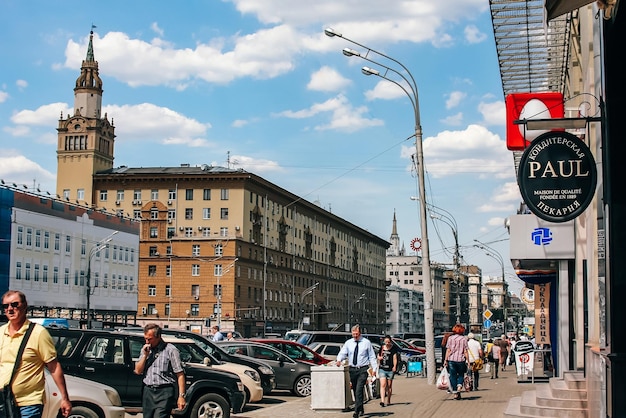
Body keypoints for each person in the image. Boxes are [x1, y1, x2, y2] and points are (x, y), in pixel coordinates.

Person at [0, 290, 72, 418]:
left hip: (29, 403)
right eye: (6, 306)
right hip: (3, 400)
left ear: (24, 305)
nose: (10, 309)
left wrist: (65, 398)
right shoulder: (1, 332)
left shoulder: (38, 333)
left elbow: (54, 367)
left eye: (14, 304)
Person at [134, 323, 186, 418]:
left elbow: (180, 374)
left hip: (164, 392)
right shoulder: (145, 349)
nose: (147, 341)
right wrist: (145, 355)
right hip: (148, 391)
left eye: (150, 339)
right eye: (145, 338)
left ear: (158, 337)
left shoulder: (171, 350)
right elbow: (137, 371)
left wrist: (181, 396)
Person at [336, 325, 378, 418]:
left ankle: (356, 412)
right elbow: (343, 352)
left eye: (356, 334)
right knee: (355, 390)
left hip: (362, 369)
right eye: (353, 334)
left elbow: (372, 356)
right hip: (352, 369)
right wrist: (339, 360)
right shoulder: (348, 343)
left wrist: (374, 369)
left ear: (360, 333)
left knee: (359, 389)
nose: (355, 335)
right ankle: (361, 408)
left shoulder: (366, 343)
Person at [443, 323, 469, 400]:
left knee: (453, 376)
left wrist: (445, 360)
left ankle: (455, 392)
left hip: (451, 359)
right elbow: (465, 351)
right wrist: (468, 361)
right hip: (461, 360)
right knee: (461, 374)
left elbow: (448, 350)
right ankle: (459, 386)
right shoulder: (464, 339)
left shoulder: (450, 338)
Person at [377, 335, 398, 407]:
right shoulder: (382, 348)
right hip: (382, 368)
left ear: (390, 341)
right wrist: (379, 358)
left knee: (389, 386)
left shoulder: (393, 349)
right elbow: (378, 356)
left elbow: (395, 358)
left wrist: (395, 366)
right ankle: (382, 401)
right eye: (386, 342)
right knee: (383, 385)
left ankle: (388, 399)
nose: (387, 343)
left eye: (388, 342)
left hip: (390, 369)